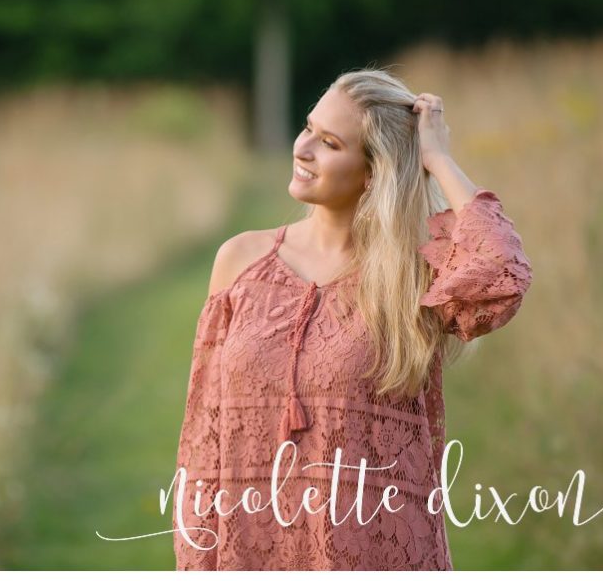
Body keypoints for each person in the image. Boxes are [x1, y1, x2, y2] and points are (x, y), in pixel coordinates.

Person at [173, 70, 531, 570]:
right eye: (308, 129)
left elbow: (502, 273)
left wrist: (437, 159)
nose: (303, 149)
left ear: (372, 172)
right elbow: (204, 436)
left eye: (330, 143)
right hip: (249, 550)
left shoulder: (413, 276)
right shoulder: (240, 261)